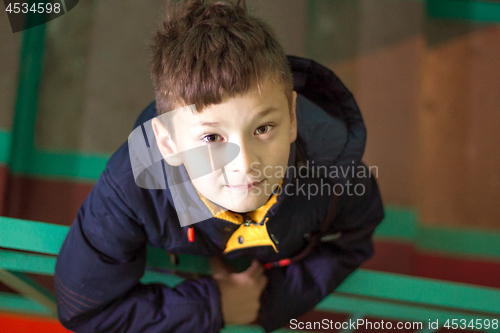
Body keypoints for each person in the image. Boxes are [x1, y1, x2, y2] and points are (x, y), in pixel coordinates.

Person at [54, 0, 384, 332]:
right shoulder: (130, 189)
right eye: (212, 138)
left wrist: (268, 301)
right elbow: (84, 309)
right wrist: (213, 305)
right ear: (168, 143)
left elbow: (356, 234)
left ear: (293, 118)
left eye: (263, 129)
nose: (245, 164)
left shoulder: (333, 169)